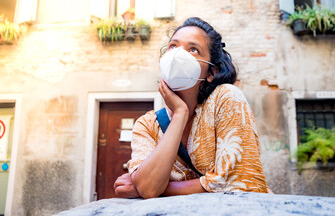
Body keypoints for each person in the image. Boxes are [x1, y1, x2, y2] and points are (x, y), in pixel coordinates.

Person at [113, 17, 269, 199]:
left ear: (212, 72)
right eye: (173, 46)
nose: (178, 55)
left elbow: (240, 181)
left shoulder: (226, 99)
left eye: (193, 49)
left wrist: (161, 187)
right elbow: (148, 188)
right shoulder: (146, 125)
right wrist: (180, 113)